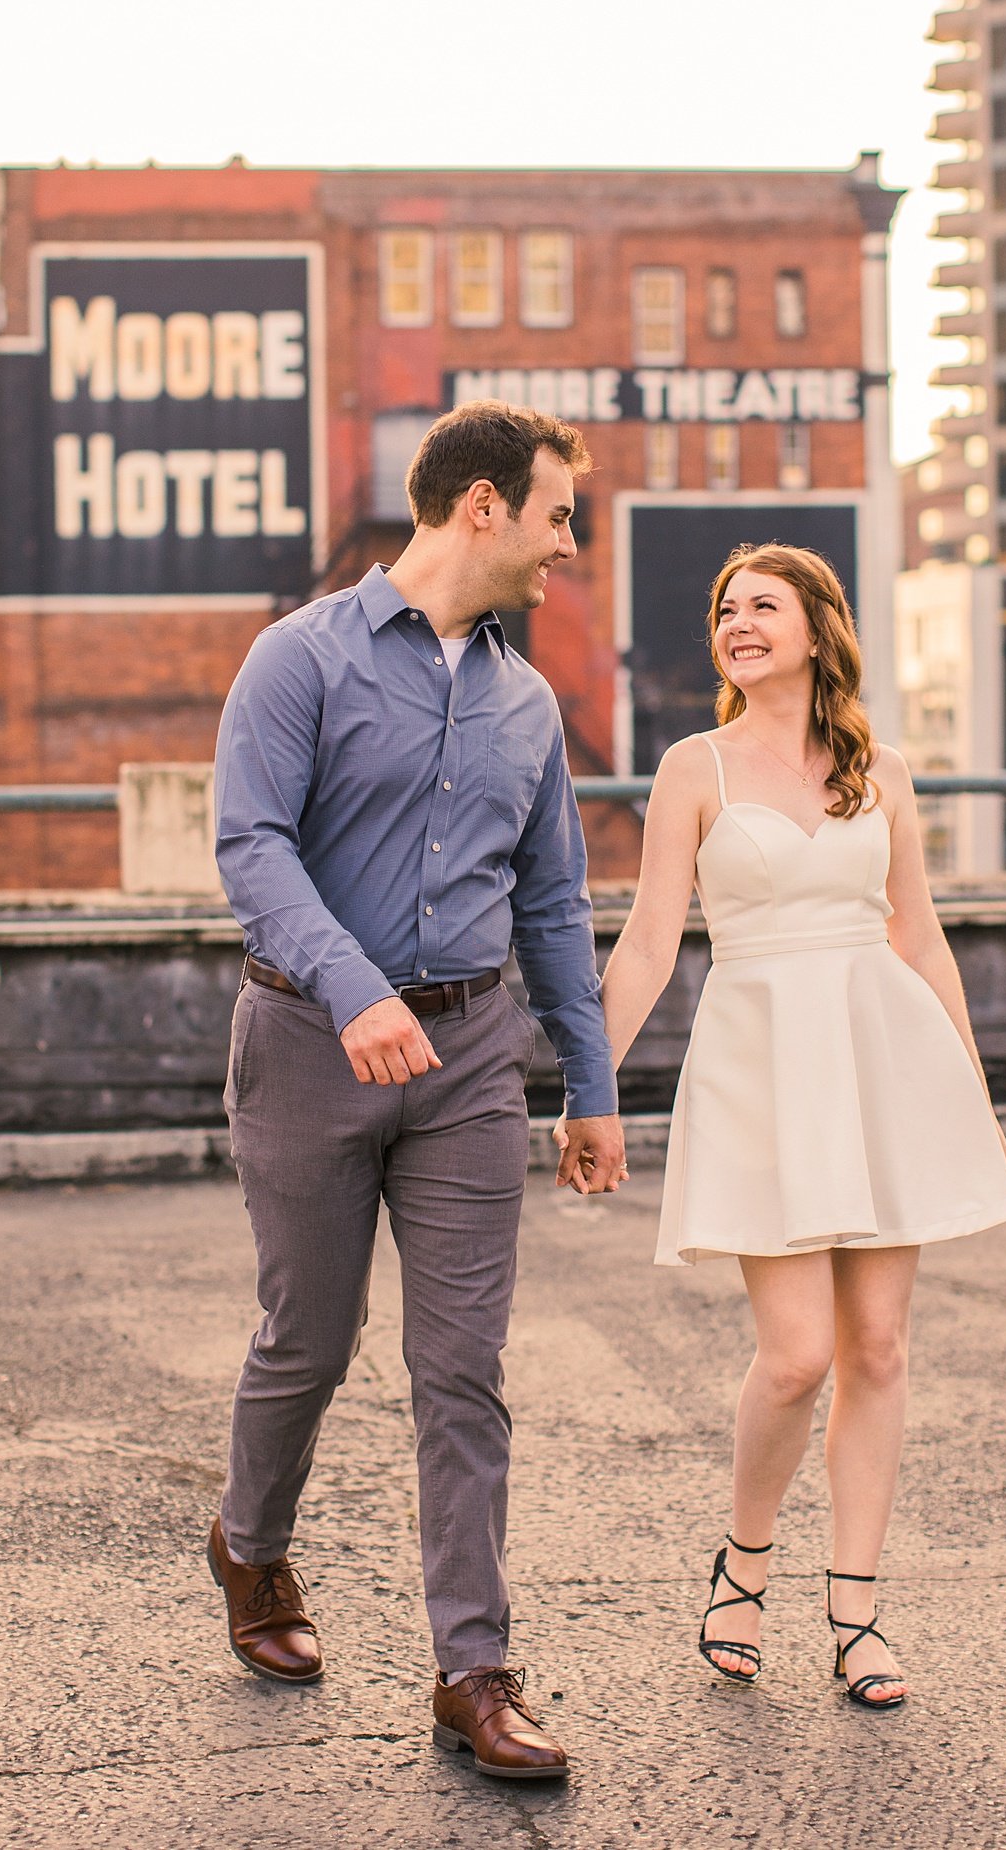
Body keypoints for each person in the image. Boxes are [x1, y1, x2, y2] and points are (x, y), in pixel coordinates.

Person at [210, 401, 626, 1783]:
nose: (572, 542)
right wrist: (352, 986)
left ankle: (473, 1669)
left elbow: (556, 903)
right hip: (308, 1045)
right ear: (483, 507)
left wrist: (593, 1085)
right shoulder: (301, 657)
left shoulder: (525, 701)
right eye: (560, 513)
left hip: (470, 1065)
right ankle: (252, 1546)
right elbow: (251, 844)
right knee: (307, 1344)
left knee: (463, 1372)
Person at [563, 542, 1006, 1708]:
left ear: (818, 628)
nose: (738, 623)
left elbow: (918, 936)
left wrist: (967, 1082)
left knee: (878, 1350)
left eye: (764, 606)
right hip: (764, 1070)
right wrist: (589, 1085)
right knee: (798, 1355)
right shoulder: (692, 767)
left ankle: (857, 1613)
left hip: (884, 1065)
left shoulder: (884, 770)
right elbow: (654, 939)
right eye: (725, 609)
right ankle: (744, 1565)